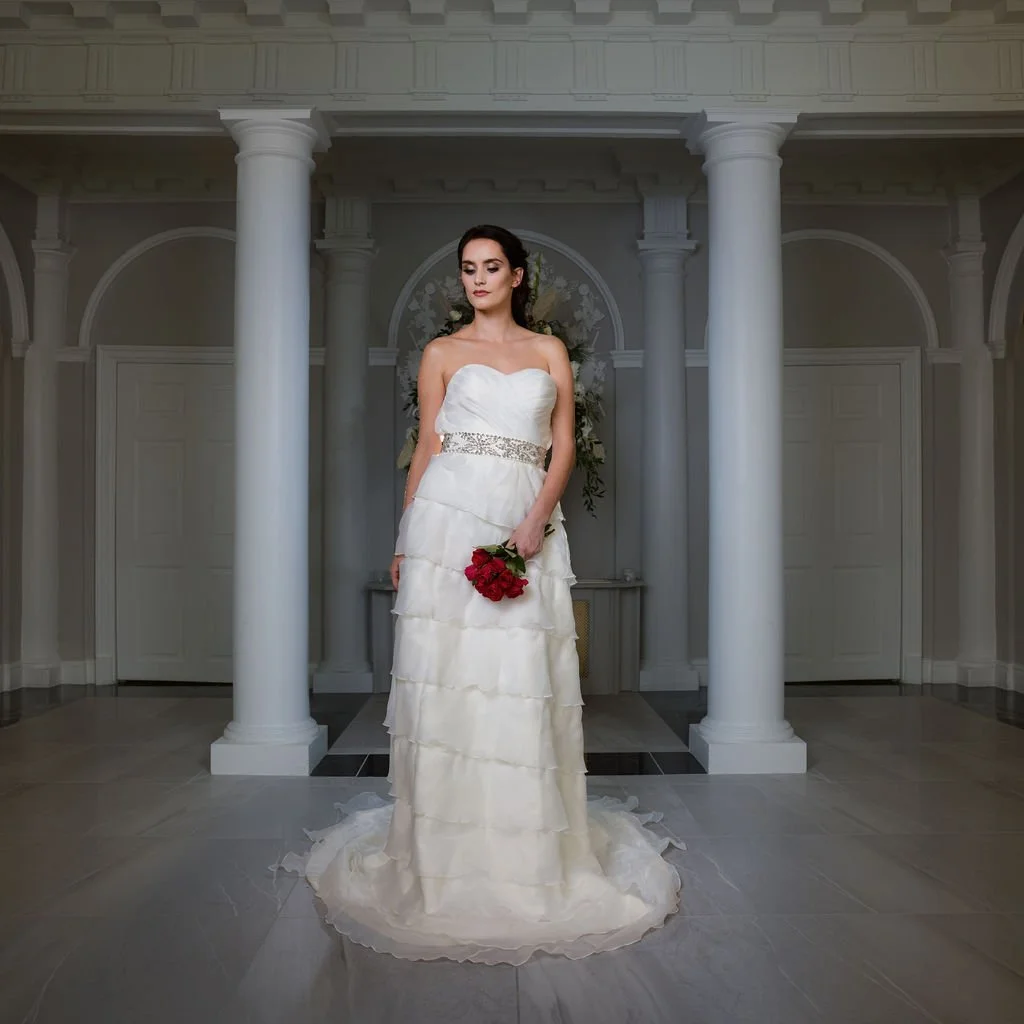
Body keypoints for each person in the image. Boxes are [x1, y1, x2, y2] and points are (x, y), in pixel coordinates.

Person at [283, 225, 681, 965]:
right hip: (446, 517)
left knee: (520, 681)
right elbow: (429, 449)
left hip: (525, 514)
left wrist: (535, 520)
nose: (478, 279)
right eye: (468, 269)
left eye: (491, 267)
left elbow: (562, 446)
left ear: (518, 275)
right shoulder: (441, 353)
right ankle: (441, 855)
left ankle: (525, 854)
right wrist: (407, 539)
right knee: (453, 680)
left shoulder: (548, 352)